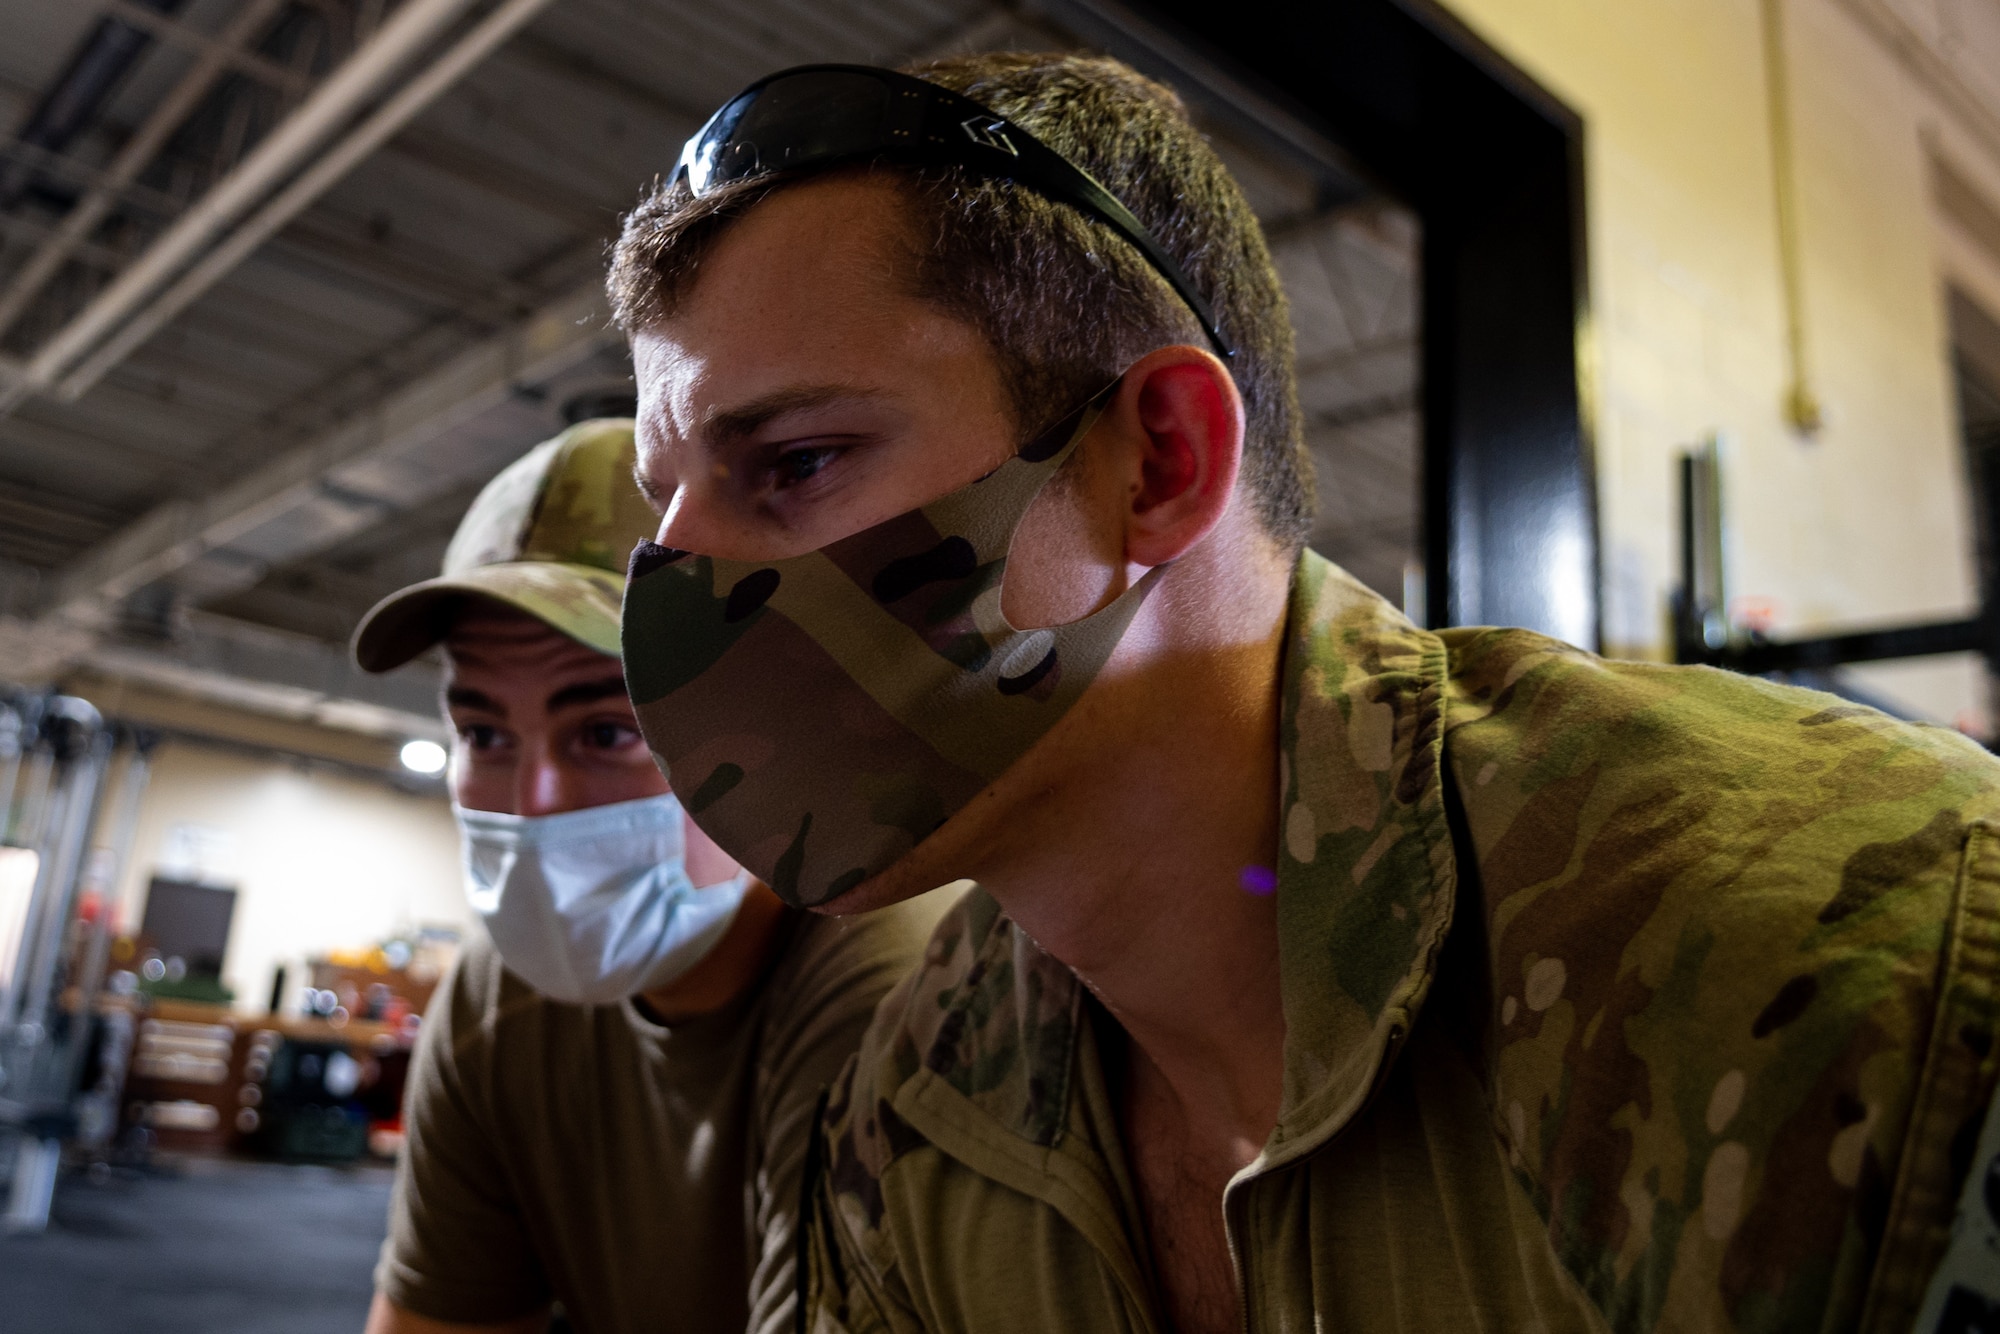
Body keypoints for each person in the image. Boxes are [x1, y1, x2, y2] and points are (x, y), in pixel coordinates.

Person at [605, 51, 2000, 1334]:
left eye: (793, 463)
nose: (677, 581)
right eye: (663, 509)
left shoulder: (1848, 954)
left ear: (1156, 461)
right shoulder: (912, 1115)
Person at [349, 419, 946, 1334]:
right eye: (485, 736)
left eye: (606, 732)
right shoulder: (496, 1001)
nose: (534, 801)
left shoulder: (893, 972)